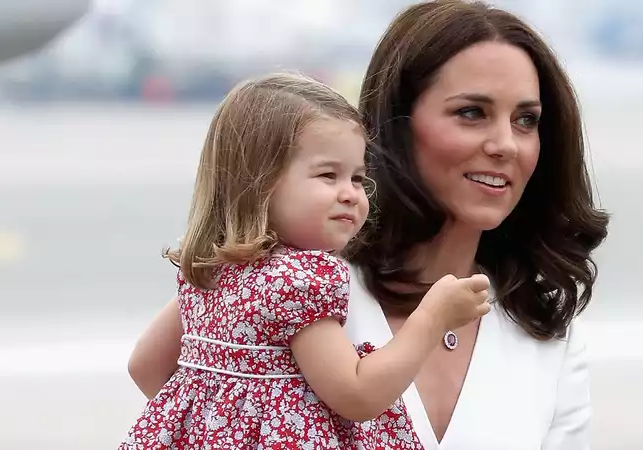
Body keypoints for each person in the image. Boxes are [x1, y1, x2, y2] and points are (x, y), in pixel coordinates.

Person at [127, 1, 610, 448]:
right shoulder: (294, 278)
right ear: (397, 124)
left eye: (527, 120)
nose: (506, 144)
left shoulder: (547, 330)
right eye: (471, 113)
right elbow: (163, 378)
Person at [120, 71, 492, 449]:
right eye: (328, 175)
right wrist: (432, 319)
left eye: (359, 179)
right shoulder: (300, 280)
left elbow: (146, 367)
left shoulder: (211, 268)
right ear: (259, 183)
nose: (350, 193)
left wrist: (219, 424)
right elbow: (358, 394)